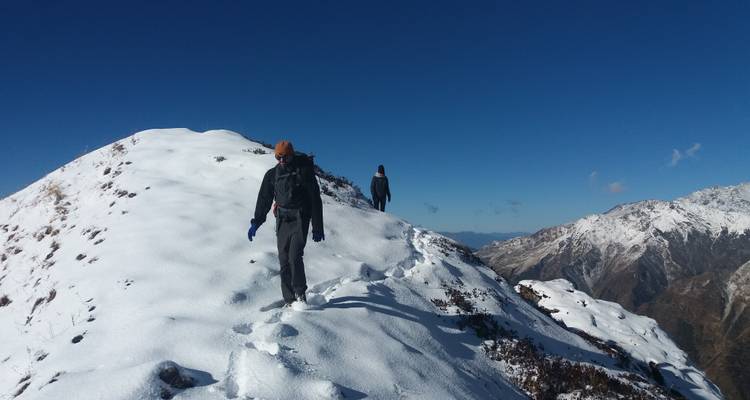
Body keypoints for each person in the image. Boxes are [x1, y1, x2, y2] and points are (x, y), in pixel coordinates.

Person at [247, 140, 324, 305]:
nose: (282, 161)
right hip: (282, 219)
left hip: (300, 217)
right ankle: (289, 300)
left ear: (292, 156)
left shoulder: (303, 171)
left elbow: (315, 199)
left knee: (294, 256)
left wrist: (317, 226)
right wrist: (257, 221)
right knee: (283, 259)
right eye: (278, 157)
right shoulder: (272, 174)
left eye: (286, 158)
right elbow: (264, 199)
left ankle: (300, 294)